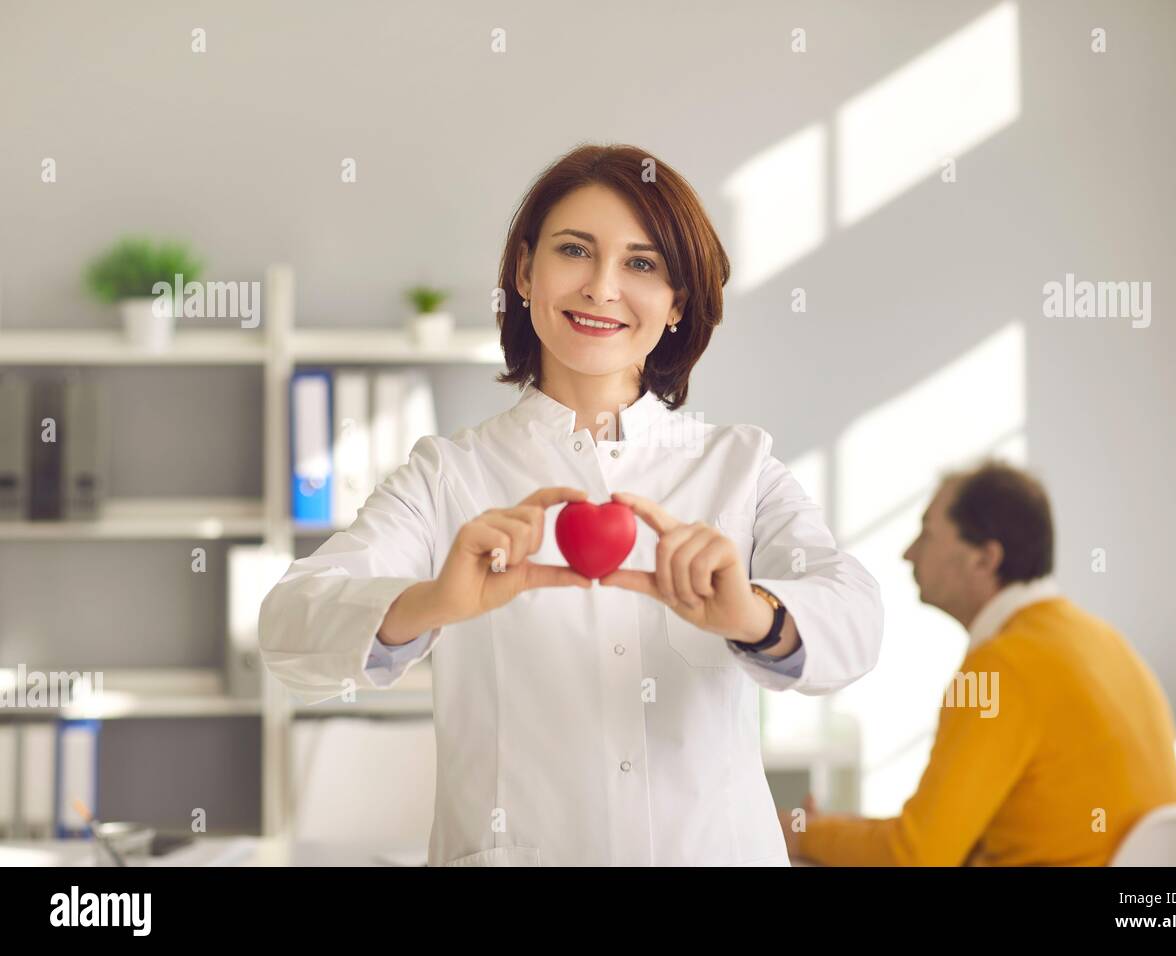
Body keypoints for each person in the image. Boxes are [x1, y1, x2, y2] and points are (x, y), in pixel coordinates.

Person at [258, 143, 884, 866]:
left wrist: (752, 615)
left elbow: (857, 617)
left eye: (642, 264)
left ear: (678, 302)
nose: (602, 287)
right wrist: (432, 602)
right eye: (575, 251)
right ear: (525, 272)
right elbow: (288, 627)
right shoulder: (448, 477)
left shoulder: (738, 468)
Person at [782, 462, 1176, 866]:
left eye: (928, 532)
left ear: (984, 559)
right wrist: (845, 830)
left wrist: (803, 833)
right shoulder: (1099, 638)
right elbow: (944, 837)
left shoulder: (1001, 668)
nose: (908, 553)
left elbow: (916, 857)